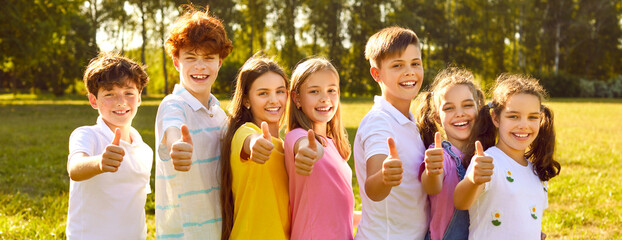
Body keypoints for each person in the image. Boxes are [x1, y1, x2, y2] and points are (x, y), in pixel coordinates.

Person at [154, 5, 233, 239]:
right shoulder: (173, 104)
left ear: (219, 62)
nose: (200, 66)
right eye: (190, 58)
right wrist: (178, 145)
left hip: (218, 229)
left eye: (208, 58)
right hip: (182, 233)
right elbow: (173, 130)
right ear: (177, 62)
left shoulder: (220, 115)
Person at [453, 73, 561, 239]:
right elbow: (461, 202)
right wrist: (473, 180)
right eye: (513, 116)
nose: (524, 125)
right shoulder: (488, 161)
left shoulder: (536, 170)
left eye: (532, 117)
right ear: (496, 118)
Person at [66, 52, 151, 239]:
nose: (121, 102)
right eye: (110, 94)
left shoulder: (144, 150)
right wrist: (99, 163)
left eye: (129, 93)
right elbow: (75, 168)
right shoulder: (87, 135)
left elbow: (135, 202)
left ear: (139, 98)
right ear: (93, 100)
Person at [353, 26, 428, 239]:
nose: (409, 72)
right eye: (397, 65)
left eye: (415, 63)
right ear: (376, 74)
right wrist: (384, 177)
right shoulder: (379, 122)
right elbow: (373, 189)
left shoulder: (409, 120)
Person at [219, 56, 290, 240]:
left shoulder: (286, 146)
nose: (274, 100)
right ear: (246, 100)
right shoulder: (244, 132)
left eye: (280, 91)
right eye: (263, 93)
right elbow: (250, 142)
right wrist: (256, 144)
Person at [284, 58, 354, 239]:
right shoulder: (296, 136)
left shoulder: (334, 144)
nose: (325, 98)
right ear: (296, 98)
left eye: (331, 90)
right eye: (314, 91)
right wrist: (309, 152)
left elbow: (335, 212)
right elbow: (304, 146)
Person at [414, 67, 485, 240]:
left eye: (467, 105)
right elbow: (432, 186)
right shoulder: (440, 155)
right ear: (437, 117)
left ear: (479, 108)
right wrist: (432, 171)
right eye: (449, 108)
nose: (460, 113)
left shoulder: (486, 154)